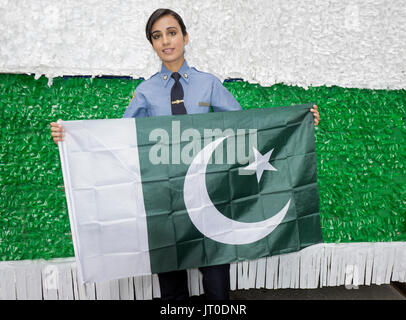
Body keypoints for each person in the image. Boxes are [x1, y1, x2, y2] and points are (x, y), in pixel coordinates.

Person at [51, 8, 320, 300]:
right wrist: (71, 137)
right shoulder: (145, 92)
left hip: (211, 199)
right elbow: (119, 139)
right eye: (157, 36)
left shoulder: (209, 84)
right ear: (152, 44)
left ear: (185, 37)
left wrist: (300, 120)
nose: (166, 41)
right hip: (164, 203)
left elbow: (248, 127)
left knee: (218, 289)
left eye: (171, 32)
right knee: (172, 289)